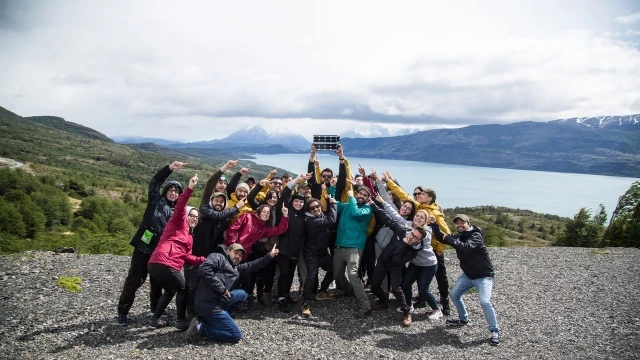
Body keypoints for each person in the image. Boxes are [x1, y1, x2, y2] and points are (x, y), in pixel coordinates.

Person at [116, 161, 185, 325]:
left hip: (159, 252)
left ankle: (156, 309)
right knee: (134, 280)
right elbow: (155, 182)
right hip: (143, 247)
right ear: (165, 191)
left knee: (157, 284)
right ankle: (123, 311)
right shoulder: (155, 200)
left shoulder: (176, 212)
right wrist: (169, 169)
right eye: (171, 189)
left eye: (176, 191)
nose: (173, 193)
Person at [383, 171, 452, 315]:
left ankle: (444, 303)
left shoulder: (435, 213)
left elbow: (446, 234)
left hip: (432, 250)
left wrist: (438, 249)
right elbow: (404, 196)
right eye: (417, 195)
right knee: (414, 276)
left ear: (429, 198)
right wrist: (390, 182)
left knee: (440, 276)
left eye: (421, 194)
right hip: (417, 247)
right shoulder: (419, 206)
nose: (418, 196)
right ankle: (419, 299)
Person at [185, 243, 279, 344]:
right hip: (208, 306)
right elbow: (203, 269)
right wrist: (222, 289)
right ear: (228, 251)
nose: (238, 256)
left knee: (242, 294)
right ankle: (199, 328)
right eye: (236, 253)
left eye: (240, 255)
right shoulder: (218, 257)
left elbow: (253, 265)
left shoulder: (235, 268)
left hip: (218, 302)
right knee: (235, 335)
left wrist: (270, 255)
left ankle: (214, 321)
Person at [147, 174, 206, 329]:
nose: (194, 218)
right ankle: (180, 321)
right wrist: (190, 188)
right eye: (192, 215)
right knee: (182, 289)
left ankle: (155, 319)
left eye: (197, 217)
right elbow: (180, 205)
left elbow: (186, 257)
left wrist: (203, 260)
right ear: (186, 215)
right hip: (165, 261)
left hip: (157, 264)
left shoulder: (189, 236)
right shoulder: (178, 222)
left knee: (171, 290)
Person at [185, 160, 242, 320]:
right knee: (191, 285)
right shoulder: (204, 210)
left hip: (209, 258)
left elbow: (226, 235)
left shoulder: (223, 220)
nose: (219, 203)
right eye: (216, 200)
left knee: (206, 284)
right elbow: (210, 184)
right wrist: (225, 167)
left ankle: (202, 312)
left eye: (221, 202)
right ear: (212, 201)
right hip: (193, 256)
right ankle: (187, 313)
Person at [432, 214, 501, 346]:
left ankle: (494, 330)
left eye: (462, 223)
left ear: (468, 223)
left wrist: (449, 239)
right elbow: (443, 238)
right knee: (454, 294)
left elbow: (465, 248)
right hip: (468, 275)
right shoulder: (459, 236)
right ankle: (463, 318)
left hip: (483, 276)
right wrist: (434, 225)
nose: (459, 225)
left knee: (485, 301)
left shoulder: (476, 235)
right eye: (457, 224)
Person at [333, 185, 373, 318]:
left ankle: (365, 305)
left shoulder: (367, 210)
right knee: (337, 274)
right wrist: (332, 188)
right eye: (359, 193)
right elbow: (333, 203)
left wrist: (351, 196)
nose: (361, 196)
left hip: (354, 247)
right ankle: (349, 290)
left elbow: (355, 213)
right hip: (339, 245)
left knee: (352, 274)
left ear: (368, 198)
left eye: (364, 195)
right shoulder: (347, 206)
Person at [301, 193, 337, 317]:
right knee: (311, 276)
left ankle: (322, 291)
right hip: (311, 253)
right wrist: (333, 203)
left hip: (322, 252)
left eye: (317, 206)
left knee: (334, 269)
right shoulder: (311, 220)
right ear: (309, 211)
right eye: (312, 208)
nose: (316, 209)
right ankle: (305, 303)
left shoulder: (321, 215)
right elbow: (331, 220)